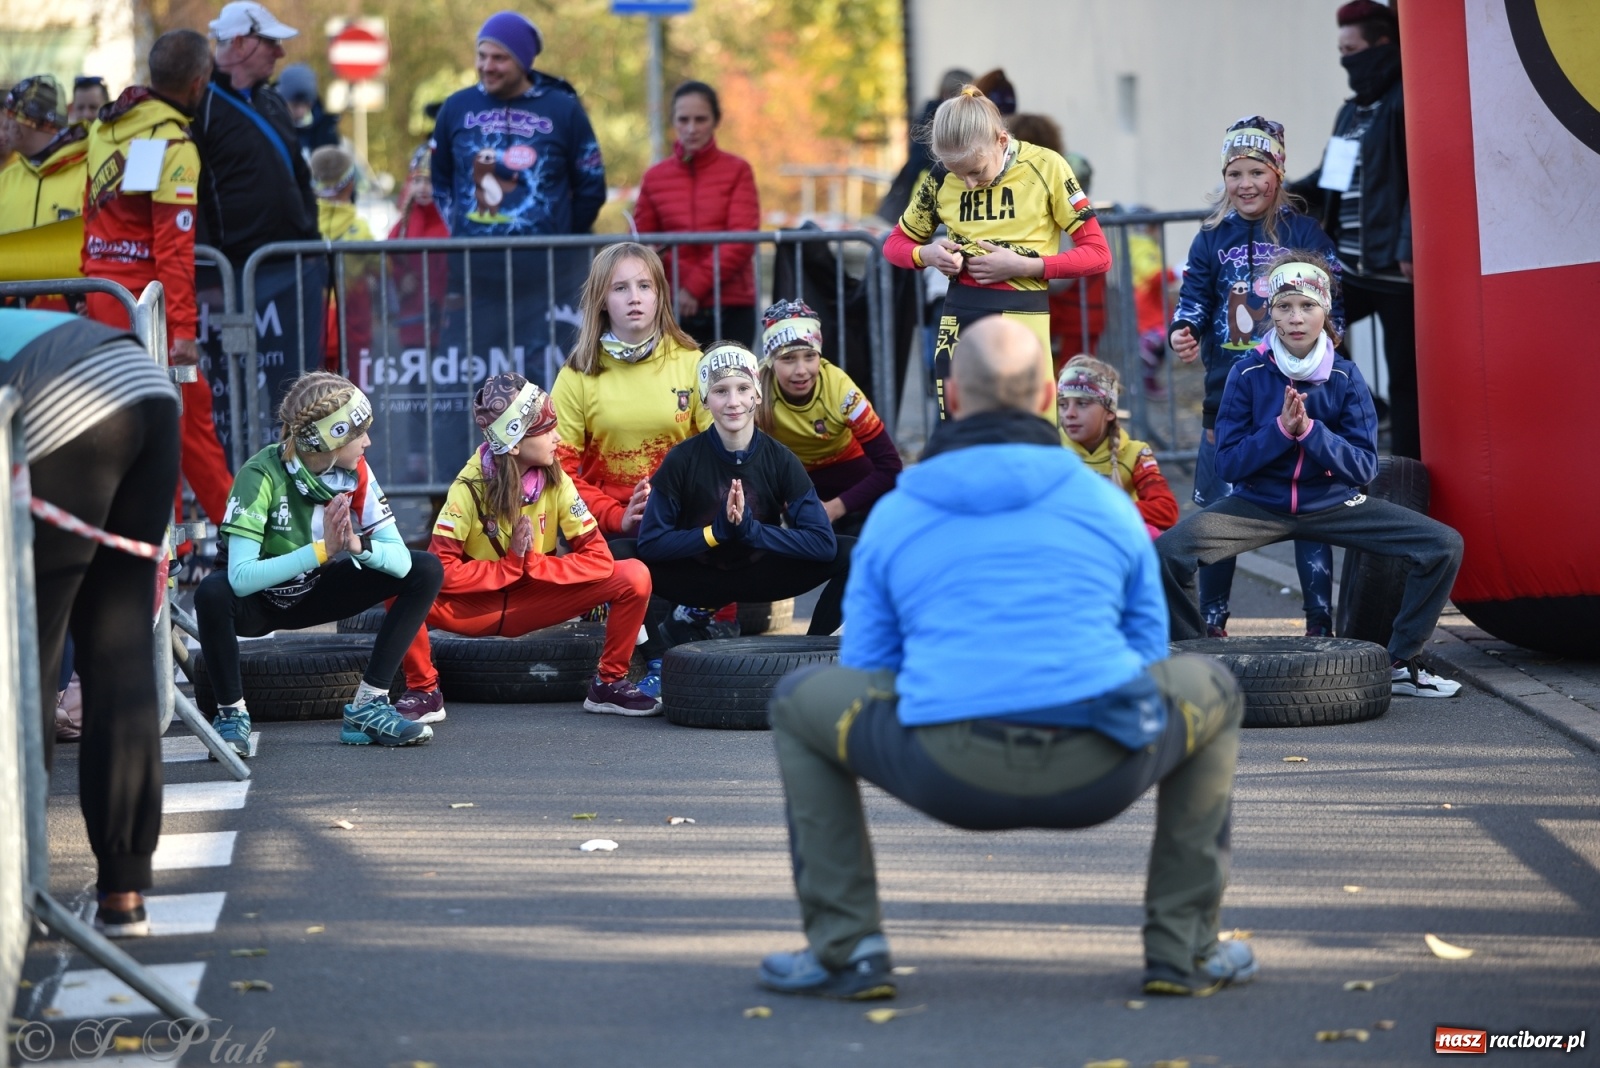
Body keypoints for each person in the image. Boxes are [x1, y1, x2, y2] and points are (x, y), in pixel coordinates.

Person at [757, 315, 1251, 1000]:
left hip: (944, 770)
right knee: (1213, 687)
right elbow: (1146, 655)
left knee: (797, 700)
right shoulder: (1108, 508)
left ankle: (848, 949)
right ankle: (1182, 950)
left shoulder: (900, 513)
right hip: (1101, 765)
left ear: (952, 399)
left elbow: (868, 671)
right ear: (1048, 397)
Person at [1157, 255, 1463, 699]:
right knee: (1168, 552)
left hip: (1334, 504)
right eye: (1284, 307)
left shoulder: (1345, 375)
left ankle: (1401, 664)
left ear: (1324, 312)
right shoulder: (1248, 372)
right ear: (1271, 312)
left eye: (1306, 306)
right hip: (1259, 505)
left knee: (1442, 545)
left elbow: (1363, 467)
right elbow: (1228, 464)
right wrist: (1280, 432)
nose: (1295, 318)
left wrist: (1311, 433)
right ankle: (1192, 663)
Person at [2, 309, 181, 937]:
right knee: (118, 642)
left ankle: (16, 893)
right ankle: (123, 893)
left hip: (62, 403)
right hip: (143, 383)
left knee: (28, 651)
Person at [195, 372, 444, 755]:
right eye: (358, 433)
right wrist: (323, 551)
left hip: (312, 590)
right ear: (330, 438)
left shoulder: (356, 470)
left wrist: (356, 546)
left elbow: (396, 560)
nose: (368, 441)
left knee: (424, 568)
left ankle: (369, 706)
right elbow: (241, 579)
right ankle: (231, 714)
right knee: (212, 591)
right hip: (256, 604)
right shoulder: (259, 474)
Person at [394, 373, 659, 721]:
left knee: (634, 575)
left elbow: (599, 559)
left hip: (539, 598)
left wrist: (532, 564)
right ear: (514, 442)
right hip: (478, 608)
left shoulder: (557, 477)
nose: (557, 438)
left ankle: (608, 684)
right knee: (400, 582)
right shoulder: (468, 487)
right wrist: (509, 566)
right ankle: (424, 690)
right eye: (547, 430)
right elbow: (439, 570)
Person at [1168, 116, 1343, 638]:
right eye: (1234, 173)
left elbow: (1335, 294)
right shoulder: (1211, 237)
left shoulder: (1304, 233)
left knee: (1310, 509)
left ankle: (1320, 624)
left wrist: (1333, 332)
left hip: (1299, 392)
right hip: (1228, 395)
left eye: (1256, 172)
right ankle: (1214, 623)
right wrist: (1185, 328)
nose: (1245, 184)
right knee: (1221, 514)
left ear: (1278, 174)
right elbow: (1195, 295)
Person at [882, 85, 1110, 423]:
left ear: (1001, 140)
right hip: (959, 318)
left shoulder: (1047, 167)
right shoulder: (942, 177)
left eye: (975, 171)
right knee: (959, 436)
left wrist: (1027, 266)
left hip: (1023, 317)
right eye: (958, 174)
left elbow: (1098, 254)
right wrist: (927, 255)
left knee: (1029, 435)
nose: (969, 183)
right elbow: (895, 244)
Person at [83, 30, 235, 531]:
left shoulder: (110, 126)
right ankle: (250, 548)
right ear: (197, 83)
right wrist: (185, 331)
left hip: (106, 304)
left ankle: (171, 556)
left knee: (150, 432)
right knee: (185, 429)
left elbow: (99, 224)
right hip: (151, 314)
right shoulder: (170, 142)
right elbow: (172, 248)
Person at [634, 342, 853, 640]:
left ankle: (810, 650)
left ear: (757, 394)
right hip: (698, 577)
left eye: (742, 389)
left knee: (856, 554)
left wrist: (752, 532)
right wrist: (715, 533)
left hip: (761, 572)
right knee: (621, 558)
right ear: (705, 399)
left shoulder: (780, 458)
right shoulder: (682, 459)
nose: (733, 401)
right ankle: (655, 658)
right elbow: (649, 543)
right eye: (721, 391)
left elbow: (823, 543)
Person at [430, 11, 606, 380]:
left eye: (499, 58)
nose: (487, 66)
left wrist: (559, 236)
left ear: (524, 61)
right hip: (473, 278)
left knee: (546, 380)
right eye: (482, 56)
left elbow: (591, 185)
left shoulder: (564, 109)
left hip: (547, 280)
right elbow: (441, 180)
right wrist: (461, 228)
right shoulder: (456, 108)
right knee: (474, 380)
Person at [192, 1, 324, 451]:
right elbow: (190, 188)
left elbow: (299, 175)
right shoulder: (201, 103)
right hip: (229, 277)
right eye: (271, 43)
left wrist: (311, 238)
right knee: (228, 390)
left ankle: (301, 479)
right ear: (242, 43)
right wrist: (207, 273)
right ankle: (236, 485)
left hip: (291, 270)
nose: (280, 55)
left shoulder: (271, 99)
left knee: (297, 387)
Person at [1290, 0, 1418, 460]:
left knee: (1406, 376)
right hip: (1350, 269)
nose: (1346, 60)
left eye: (1353, 49)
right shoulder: (1350, 114)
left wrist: (1408, 244)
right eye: (1341, 51)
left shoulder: (1409, 101)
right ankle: (1368, 406)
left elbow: (1422, 180)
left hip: (1397, 272)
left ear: (1383, 45)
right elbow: (1329, 184)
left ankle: (1408, 469)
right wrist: (1272, 192)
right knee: (1309, 332)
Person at [552, 242, 708, 538]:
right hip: (606, 526)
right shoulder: (576, 374)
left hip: (683, 521)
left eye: (645, 286)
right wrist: (617, 517)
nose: (634, 298)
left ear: (659, 296)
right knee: (635, 576)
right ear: (601, 300)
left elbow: (720, 450)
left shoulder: (693, 363)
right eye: (620, 288)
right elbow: (559, 471)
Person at [755, 299, 902, 536]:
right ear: (771, 362)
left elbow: (891, 467)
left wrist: (834, 509)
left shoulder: (841, 390)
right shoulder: (754, 390)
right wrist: (775, 496)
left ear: (820, 355)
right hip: (796, 480)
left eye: (809, 356)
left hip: (850, 469)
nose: (801, 370)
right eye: (788, 359)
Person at [633, 80, 761, 348]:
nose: (691, 128)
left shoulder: (738, 170)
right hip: (671, 307)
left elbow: (742, 239)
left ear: (715, 121)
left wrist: (693, 287)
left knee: (732, 387)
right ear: (673, 122)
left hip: (730, 304)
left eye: (700, 119)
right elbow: (641, 241)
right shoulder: (654, 177)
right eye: (684, 119)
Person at [1057, 355, 1178, 538]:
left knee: (1152, 535)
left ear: (1110, 412)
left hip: (1113, 538)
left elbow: (1166, 510)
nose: (1069, 414)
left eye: (1082, 404)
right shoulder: (1051, 449)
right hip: (1065, 543)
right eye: (1063, 405)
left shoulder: (1135, 453)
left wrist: (1108, 509)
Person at [310, 144, 375, 369]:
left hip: (312, 324)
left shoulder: (306, 227)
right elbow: (383, 268)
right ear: (350, 184)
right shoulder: (361, 230)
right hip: (352, 324)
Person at [0, 76, 88, 235]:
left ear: (31, 120)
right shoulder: (5, 180)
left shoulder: (89, 175)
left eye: (11, 115)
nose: (5, 125)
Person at [387, 145, 450, 350]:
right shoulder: (403, 224)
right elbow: (388, 263)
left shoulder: (450, 222)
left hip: (446, 325)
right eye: (418, 180)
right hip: (412, 326)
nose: (423, 188)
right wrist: (400, 280)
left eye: (430, 182)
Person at [275, 63, 340, 161]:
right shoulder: (268, 125)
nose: (301, 112)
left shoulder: (323, 130)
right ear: (282, 101)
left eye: (306, 104)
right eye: (295, 105)